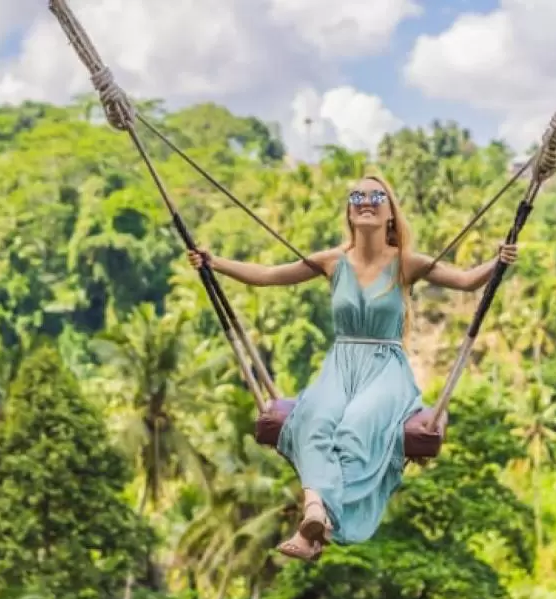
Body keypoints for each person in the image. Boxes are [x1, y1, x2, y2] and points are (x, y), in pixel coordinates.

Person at [187, 174, 518, 561]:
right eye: (357, 195)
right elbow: (268, 276)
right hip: (341, 366)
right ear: (348, 210)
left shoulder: (405, 263)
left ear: (390, 213)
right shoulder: (332, 261)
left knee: (358, 424)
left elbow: (465, 281)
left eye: (376, 195)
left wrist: (499, 261)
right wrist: (214, 263)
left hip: (385, 369)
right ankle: (315, 513)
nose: (366, 200)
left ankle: (315, 518)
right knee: (312, 418)